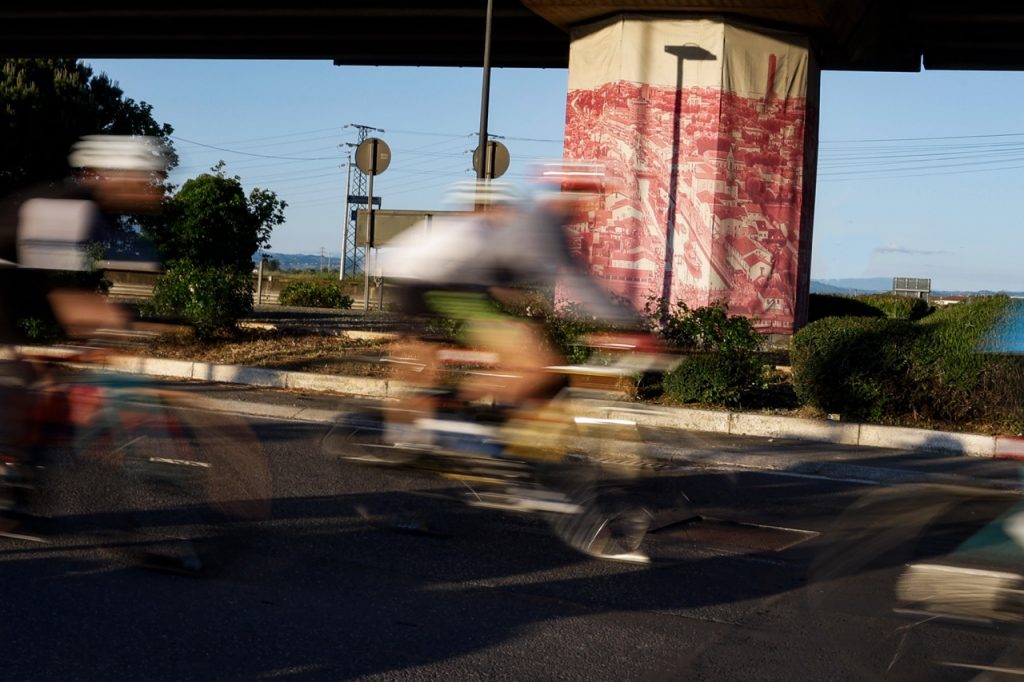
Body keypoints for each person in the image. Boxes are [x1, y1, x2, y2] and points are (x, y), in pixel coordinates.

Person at [379, 164, 647, 445]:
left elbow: (506, 274)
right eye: (587, 196)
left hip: (461, 290)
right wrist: (629, 326)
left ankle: (478, 415)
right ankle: (455, 413)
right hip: (453, 290)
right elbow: (580, 283)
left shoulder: (543, 224)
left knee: (531, 359)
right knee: (537, 364)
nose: (592, 205)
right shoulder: (543, 226)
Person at [0, 134, 170, 537]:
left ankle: (17, 476)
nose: (153, 188)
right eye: (144, 179)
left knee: (47, 383)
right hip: (5, 283)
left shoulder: (101, 213)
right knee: (16, 377)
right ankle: (8, 480)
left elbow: (128, 271)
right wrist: (110, 319)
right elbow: (53, 295)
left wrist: (130, 319)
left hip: (16, 284)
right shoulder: (68, 205)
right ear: (114, 177)